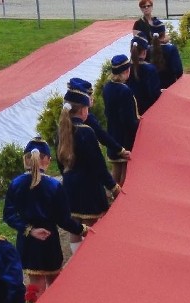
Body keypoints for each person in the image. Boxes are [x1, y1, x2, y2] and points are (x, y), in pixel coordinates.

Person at [3, 137, 90, 301]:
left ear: (26, 159)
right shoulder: (54, 186)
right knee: (56, 287)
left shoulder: (15, 184)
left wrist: (29, 230)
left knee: (35, 288)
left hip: (27, 241)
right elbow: (63, 220)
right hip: (49, 241)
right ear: (46, 160)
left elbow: (9, 215)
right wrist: (83, 229)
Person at [57, 87, 121, 254]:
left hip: (69, 185)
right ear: (83, 109)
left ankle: (76, 260)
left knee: (75, 228)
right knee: (93, 228)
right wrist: (113, 186)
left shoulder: (61, 131)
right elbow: (98, 165)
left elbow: (60, 162)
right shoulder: (86, 132)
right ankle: (91, 260)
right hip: (89, 187)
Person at [66, 78, 131, 165]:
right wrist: (120, 150)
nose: (92, 98)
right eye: (90, 95)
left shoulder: (64, 122)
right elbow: (102, 135)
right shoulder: (88, 119)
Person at [103, 55, 140, 186]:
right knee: (125, 170)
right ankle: (120, 198)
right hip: (125, 137)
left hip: (112, 132)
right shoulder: (125, 91)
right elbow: (129, 120)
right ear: (126, 71)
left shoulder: (107, 87)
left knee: (116, 169)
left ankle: (113, 195)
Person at [127, 35, 161, 115]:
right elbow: (154, 93)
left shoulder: (126, 69)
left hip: (131, 111)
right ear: (144, 52)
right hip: (148, 111)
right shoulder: (150, 69)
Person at [149, 19, 183, 89]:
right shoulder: (171, 49)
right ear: (164, 34)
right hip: (170, 88)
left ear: (151, 35)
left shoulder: (147, 50)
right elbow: (179, 71)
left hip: (153, 89)